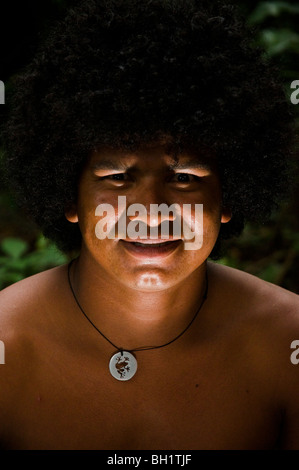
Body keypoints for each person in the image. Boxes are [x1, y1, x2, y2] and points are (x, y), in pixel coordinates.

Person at [0, 0, 298, 451]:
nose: (151, 209)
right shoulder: (7, 344)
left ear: (229, 196)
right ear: (68, 194)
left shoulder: (287, 344)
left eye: (184, 178)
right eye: (117, 176)